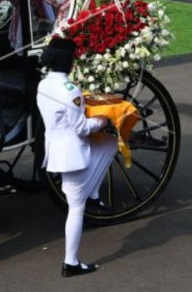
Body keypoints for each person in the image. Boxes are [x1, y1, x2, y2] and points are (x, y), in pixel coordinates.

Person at [37, 38, 116, 277]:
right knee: (76, 208)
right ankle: (71, 262)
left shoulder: (43, 84)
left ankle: (92, 193)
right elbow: (81, 127)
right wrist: (104, 119)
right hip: (73, 154)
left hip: (56, 150)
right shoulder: (70, 90)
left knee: (109, 146)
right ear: (69, 62)